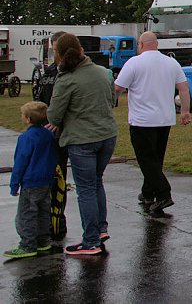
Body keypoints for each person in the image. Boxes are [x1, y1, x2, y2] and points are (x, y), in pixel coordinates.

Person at [46, 33, 117, 256]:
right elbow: (112, 101)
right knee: (96, 182)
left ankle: (90, 241)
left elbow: (54, 116)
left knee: (85, 189)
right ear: (80, 49)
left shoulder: (66, 79)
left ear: (58, 54)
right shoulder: (103, 72)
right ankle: (100, 229)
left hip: (82, 140)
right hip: (107, 136)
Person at [114, 32, 191, 213]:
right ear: (156, 44)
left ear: (141, 44)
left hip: (141, 120)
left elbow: (118, 87)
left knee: (146, 160)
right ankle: (147, 191)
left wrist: (111, 101)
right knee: (156, 158)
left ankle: (164, 194)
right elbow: (183, 88)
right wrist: (185, 111)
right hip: (164, 119)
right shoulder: (171, 62)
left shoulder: (134, 63)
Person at [3, 102, 58, 259]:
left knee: (26, 214)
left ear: (28, 119)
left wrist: (14, 184)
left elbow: (20, 162)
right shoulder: (49, 135)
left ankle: (27, 245)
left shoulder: (26, 138)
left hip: (30, 181)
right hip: (46, 180)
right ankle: (42, 240)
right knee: (43, 211)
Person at [36, 30, 70, 240]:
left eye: (56, 49)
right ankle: (49, 218)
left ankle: (57, 220)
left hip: (63, 132)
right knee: (51, 175)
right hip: (49, 130)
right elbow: (40, 98)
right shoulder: (50, 72)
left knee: (59, 177)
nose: (54, 53)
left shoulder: (66, 73)